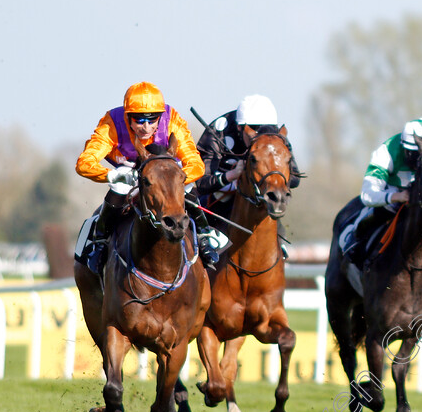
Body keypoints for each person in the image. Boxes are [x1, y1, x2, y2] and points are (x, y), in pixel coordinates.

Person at [76, 81, 219, 274]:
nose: (146, 127)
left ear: (160, 117)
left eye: (152, 120)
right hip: (129, 171)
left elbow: (196, 164)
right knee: (120, 188)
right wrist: (110, 175)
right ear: (128, 117)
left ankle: (204, 235)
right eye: (139, 120)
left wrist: (173, 180)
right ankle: (100, 242)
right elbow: (84, 163)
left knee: (187, 187)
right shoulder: (111, 123)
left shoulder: (172, 119)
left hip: (164, 171)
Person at [341, 118, 422, 267]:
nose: (420, 157)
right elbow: (367, 195)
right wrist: (395, 196)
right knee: (374, 211)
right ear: (405, 148)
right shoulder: (386, 152)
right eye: (414, 152)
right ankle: (353, 240)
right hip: (392, 195)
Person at [195, 94, 302, 231]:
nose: (261, 137)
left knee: (275, 222)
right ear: (240, 128)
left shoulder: (276, 138)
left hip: (256, 195)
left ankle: (282, 248)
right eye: (253, 129)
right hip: (218, 195)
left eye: (268, 129)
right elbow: (201, 183)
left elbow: (295, 178)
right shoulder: (218, 132)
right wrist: (232, 175)